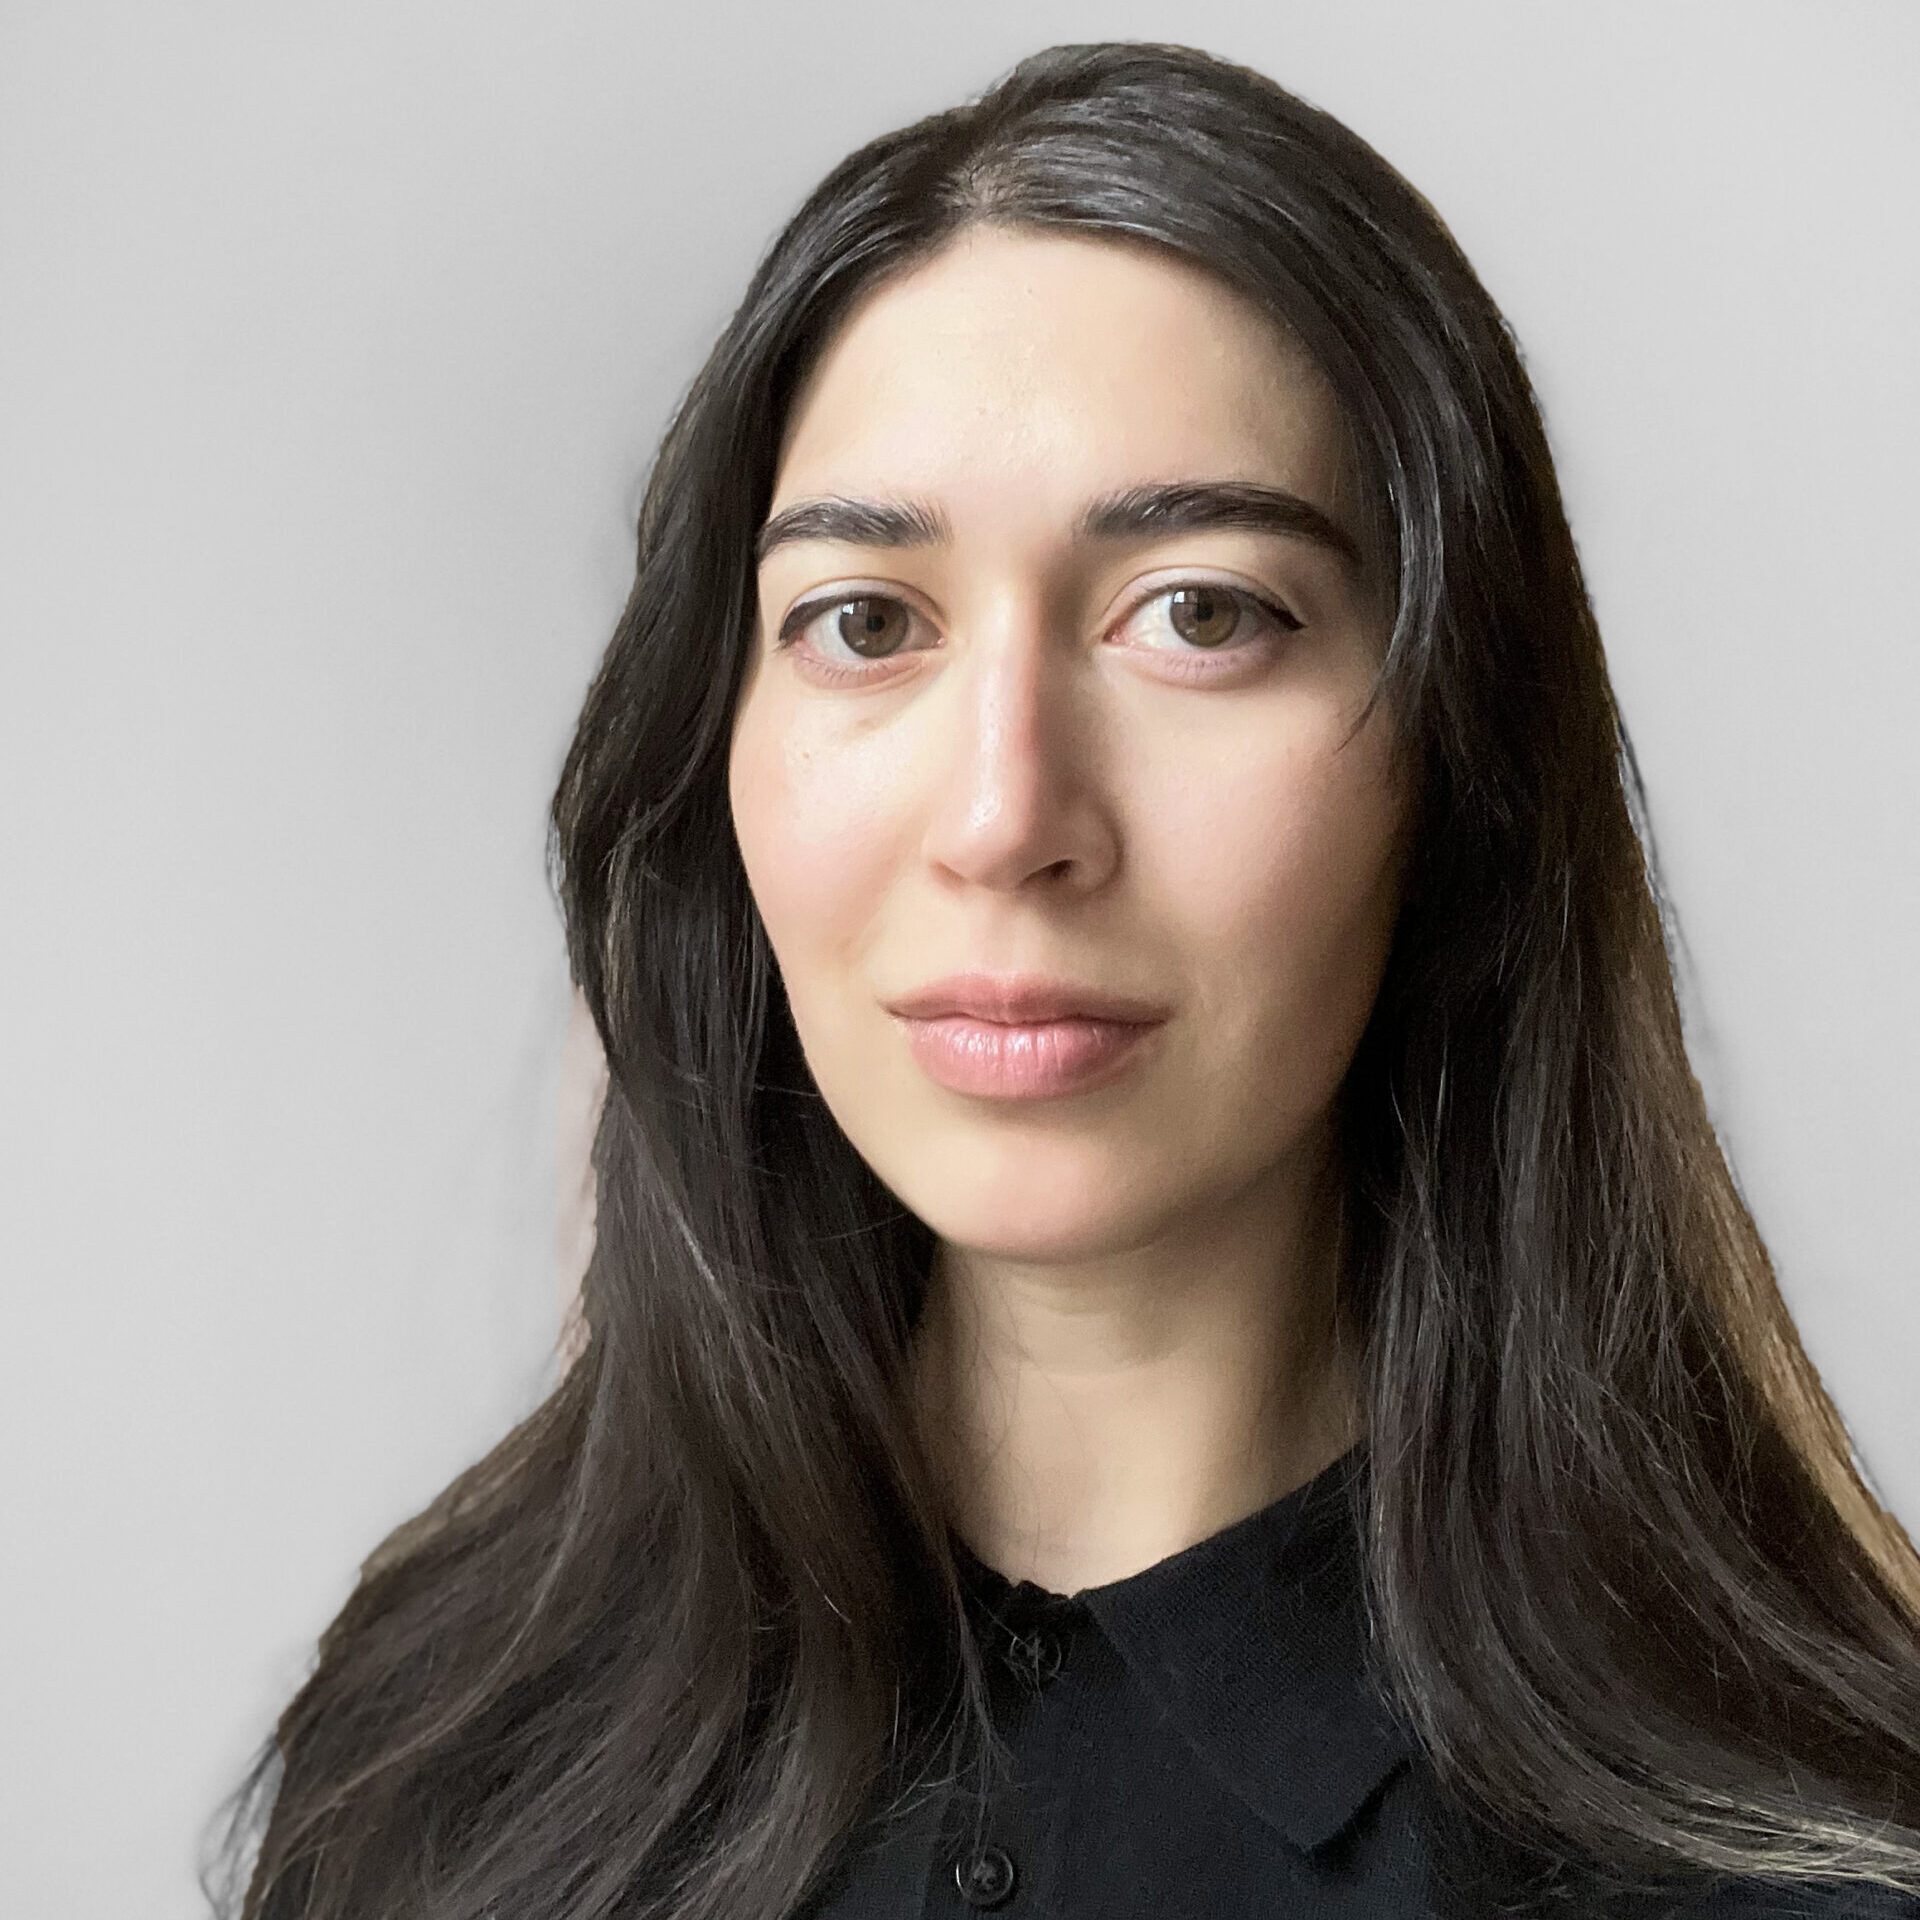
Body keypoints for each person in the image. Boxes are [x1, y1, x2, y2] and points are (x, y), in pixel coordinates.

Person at [208, 41, 1920, 1920]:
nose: (1008, 814)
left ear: (1459, 762)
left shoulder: (1796, 1863)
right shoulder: (439, 1761)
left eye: (1200, 613)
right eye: (866, 625)